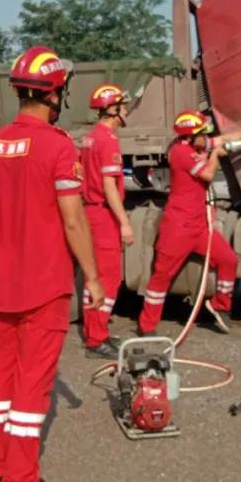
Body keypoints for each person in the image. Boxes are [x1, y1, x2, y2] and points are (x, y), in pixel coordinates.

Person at [0, 46, 103, 482]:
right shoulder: (57, 145)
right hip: (43, 284)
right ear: (55, 93)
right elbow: (73, 220)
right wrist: (93, 276)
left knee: (0, 378)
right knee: (33, 383)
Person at [138, 110, 241, 336]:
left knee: (228, 260)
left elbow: (220, 140)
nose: (207, 137)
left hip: (199, 226)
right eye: (203, 133)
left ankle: (220, 306)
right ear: (190, 136)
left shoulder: (195, 145)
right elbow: (209, 175)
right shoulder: (181, 153)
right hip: (178, 228)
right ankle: (147, 326)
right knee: (162, 276)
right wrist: (215, 155)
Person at [80, 83, 134, 359]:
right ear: (113, 109)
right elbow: (110, 186)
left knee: (98, 276)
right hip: (102, 214)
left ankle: (96, 332)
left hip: (92, 210)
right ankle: (95, 339)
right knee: (109, 278)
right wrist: (124, 222)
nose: (126, 110)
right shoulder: (108, 140)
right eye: (122, 106)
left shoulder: (91, 137)